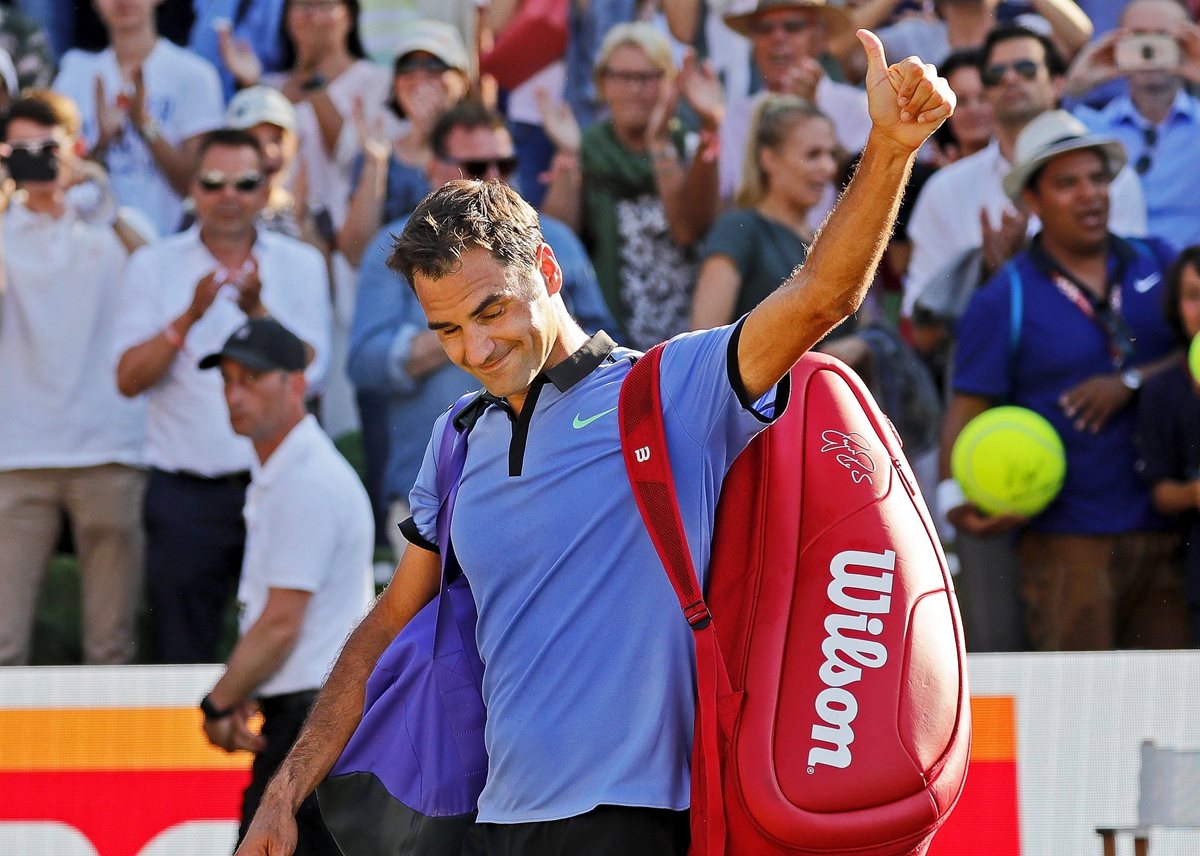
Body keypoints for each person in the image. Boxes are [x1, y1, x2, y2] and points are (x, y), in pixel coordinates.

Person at [237, 29, 956, 856]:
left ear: (546, 268)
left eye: (492, 310)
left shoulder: (668, 390)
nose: (475, 350)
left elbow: (819, 295)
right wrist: (286, 789)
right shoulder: (456, 437)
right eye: (447, 331)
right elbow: (387, 627)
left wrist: (891, 150)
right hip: (494, 822)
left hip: (636, 821)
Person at [941, 109, 1190, 651]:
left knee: (1177, 721)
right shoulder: (1002, 298)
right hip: (1067, 543)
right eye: (1067, 183)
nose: (1090, 195)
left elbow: (1193, 357)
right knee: (1084, 724)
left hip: (1172, 531)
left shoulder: (1163, 262)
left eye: (1098, 178)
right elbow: (967, 407)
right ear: (1032, 201)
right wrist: (952, 499)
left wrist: (1129, 382)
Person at [348, 100, 616, 569]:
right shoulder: (394, 249)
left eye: (505, 163)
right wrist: (469, 328)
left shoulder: (555, 238)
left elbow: (599, 336)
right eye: (474, 167)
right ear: (434, 170)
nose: (493, 177)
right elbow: (364, 364)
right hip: (433, 487)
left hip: (560, 470)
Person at [114, 129, 332, 664]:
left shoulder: (299, 263)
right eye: (213, 183)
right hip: (185, 492)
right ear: (192, 189)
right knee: (179, 653)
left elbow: (315, 371)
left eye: (245, 182)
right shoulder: (154, 265)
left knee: (291, 652)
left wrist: (257, 312)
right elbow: (127, 379)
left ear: (265, 190)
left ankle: (284, 751)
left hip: (279, 483)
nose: (229, 195)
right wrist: (188, 317)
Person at [198, 318, 373, 855]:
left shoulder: (304, 480)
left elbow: (279, 624)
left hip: (312, 724)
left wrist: (219, 703)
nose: (234, 393)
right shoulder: (294, 473)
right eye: (227, 379)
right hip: (317, 721)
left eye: (250, 378)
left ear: (296, 384)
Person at [0, 89, 147, 666]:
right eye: (21, 149)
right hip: (18, 453)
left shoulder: (112, 218)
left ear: (76, 147)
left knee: (111, 644)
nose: (35, 161)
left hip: (109, 446)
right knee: (3, 642)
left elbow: (163, 271)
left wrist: (94, 188)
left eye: (47, 147)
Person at [904, 23, 1148, 319]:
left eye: (1027, 69)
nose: (1010, 79)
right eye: (995, 74)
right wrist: (986, 272)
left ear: (1058, 84)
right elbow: (918, 317)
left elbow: (1131, 285)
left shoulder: (1113, 178)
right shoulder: (945, 190)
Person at [539, 22, 723, 350]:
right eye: (622, 77)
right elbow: (558, 238)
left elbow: (687, 231)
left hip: (687, 331)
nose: (635, 89)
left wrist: (659, 143)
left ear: (669, 83)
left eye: (648, 77)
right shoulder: (588, 148)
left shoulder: (690, 146)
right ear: (602, 83)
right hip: (610, 335)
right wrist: (569, 154)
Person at [53, 0, 225, 235]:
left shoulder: (195, 75)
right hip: (92, 248)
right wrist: (102, 142)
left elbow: (200, 185)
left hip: (168, 245)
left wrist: (144, 125)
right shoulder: (74, 74)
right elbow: (59, 181)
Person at [1069, 0, 1200, 253]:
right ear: (1116, 42)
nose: (1149, 48)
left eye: (1164, 36)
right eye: (1137, 36)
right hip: (1116, 276)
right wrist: (1076, 87)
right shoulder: (1088, 127)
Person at [337, 19, 470, 267]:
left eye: (434, 65)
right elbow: (356, 253)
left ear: (462, 80)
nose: (419, 76)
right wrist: (375, 165)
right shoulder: (376, 152)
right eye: (407, 66)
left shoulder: (486, 147)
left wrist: (433, 137)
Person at [718, 0, 871, 206]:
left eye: (793, 26)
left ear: (821, 38)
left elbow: (870, 196)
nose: (778, 37)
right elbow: (705, 219)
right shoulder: (736, 116)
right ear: (753, 42)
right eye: (764, 29)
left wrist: (812, 112)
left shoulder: (858, 108)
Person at [929, 47, 995, 164]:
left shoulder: (1030, 170)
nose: (973, 109)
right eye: (960, 101)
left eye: (983, 98)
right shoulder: (924, 177)